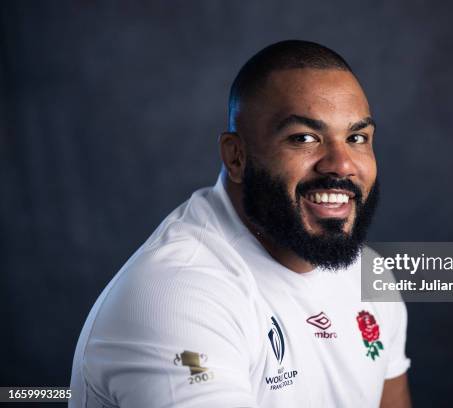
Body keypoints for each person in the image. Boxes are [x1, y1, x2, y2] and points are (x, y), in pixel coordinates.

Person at [69, 40, 412, 407]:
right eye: (304, 138)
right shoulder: (176, 295)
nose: (342, 165)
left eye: (357, 138)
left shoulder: (366, 274)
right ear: (236, 157)